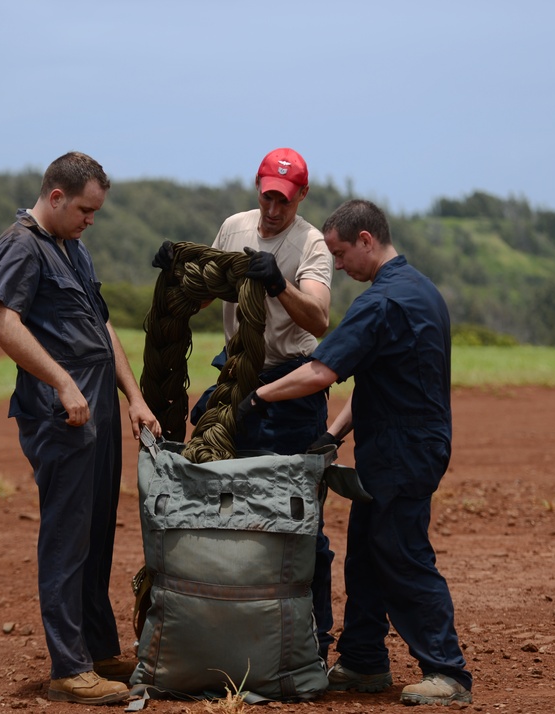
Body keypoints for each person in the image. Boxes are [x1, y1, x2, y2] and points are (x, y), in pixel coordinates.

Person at [234, 199, 473, 706]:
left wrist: (257, 397)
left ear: (367, 240)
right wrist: (336, 433)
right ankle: (364, 661)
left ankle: (447, 671)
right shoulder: (420, 290)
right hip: (403, 439)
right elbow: (376, 378)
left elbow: (322, 370)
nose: (338, 265)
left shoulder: (381, 302)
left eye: (341, 253)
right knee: (366, 551)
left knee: (402, 553)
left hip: (402, 448)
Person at [0, 151, 161, 706]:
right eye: (86, 209)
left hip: (100, 404)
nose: (91, 220)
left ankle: (96, 648)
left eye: (96, 212)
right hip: (62, 409)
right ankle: (68, 667)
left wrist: (133, 397)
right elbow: (2, 323)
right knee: (66, 534)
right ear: (56, 197)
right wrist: (63, 383)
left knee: (96, 530)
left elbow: (101, 326)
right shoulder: (21, 245)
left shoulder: (74, 249)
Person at [153, 147, 336, 659]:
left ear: (301, 196)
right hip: (236, 380)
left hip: (291, 390)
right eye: (267, 197)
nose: (273, 209)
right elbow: (207, 293)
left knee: (297, 520)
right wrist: (177, 269)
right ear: (258, 189)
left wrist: (278, 284)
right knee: (218, 504)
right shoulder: (234, 227)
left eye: (283, 199)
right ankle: (229, 629)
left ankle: (312, 642)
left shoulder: (312, 244)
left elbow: (319, 320)